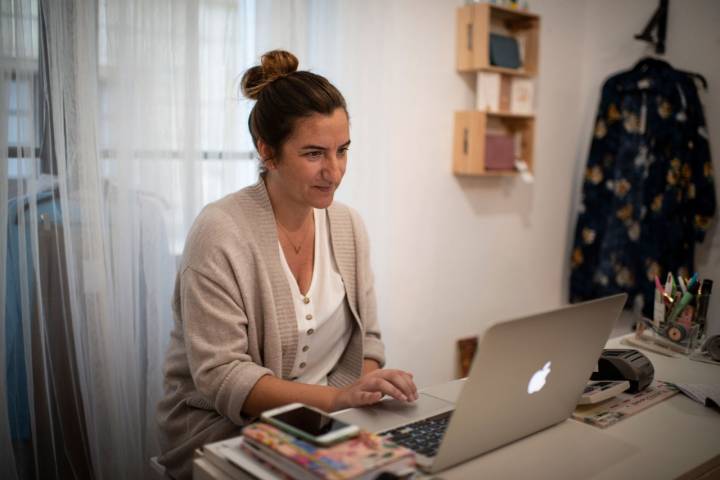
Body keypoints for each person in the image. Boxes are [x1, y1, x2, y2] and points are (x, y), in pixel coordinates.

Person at [156, 50, 418, 479]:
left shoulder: (349, 226)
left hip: (326, 425)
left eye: (343, 151)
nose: (333, 172)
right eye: (314, 154)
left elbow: (367, 339)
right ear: (268, 152)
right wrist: (336, 401)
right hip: (225, 433)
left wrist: (363, 394)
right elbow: (222, 375)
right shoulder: (220, 233)